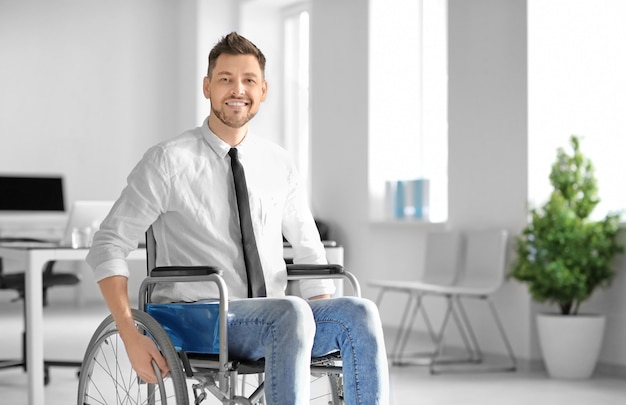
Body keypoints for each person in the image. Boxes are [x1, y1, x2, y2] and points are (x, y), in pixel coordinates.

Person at [86, 31, 389, 405]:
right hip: (197, 317)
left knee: (359, 312)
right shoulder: (167, 161)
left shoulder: (278, 163)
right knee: (290, 313)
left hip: (278, 316)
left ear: (263, 90)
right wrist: (130, 333)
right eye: (225, 79)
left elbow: (310, 251)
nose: (237, 89)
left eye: (248, 80)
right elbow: (108, 245)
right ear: (207, 87)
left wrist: (320, 321)